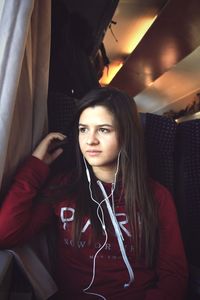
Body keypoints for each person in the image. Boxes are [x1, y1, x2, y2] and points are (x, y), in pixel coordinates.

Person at [0, 87, 188, 300]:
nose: (90, 140)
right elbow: (5, 235)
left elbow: (174, 274)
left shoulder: (156, 196)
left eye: (104, 130)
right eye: (83, 129)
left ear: (126, 135)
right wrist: (35, 167)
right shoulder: (62, 187)